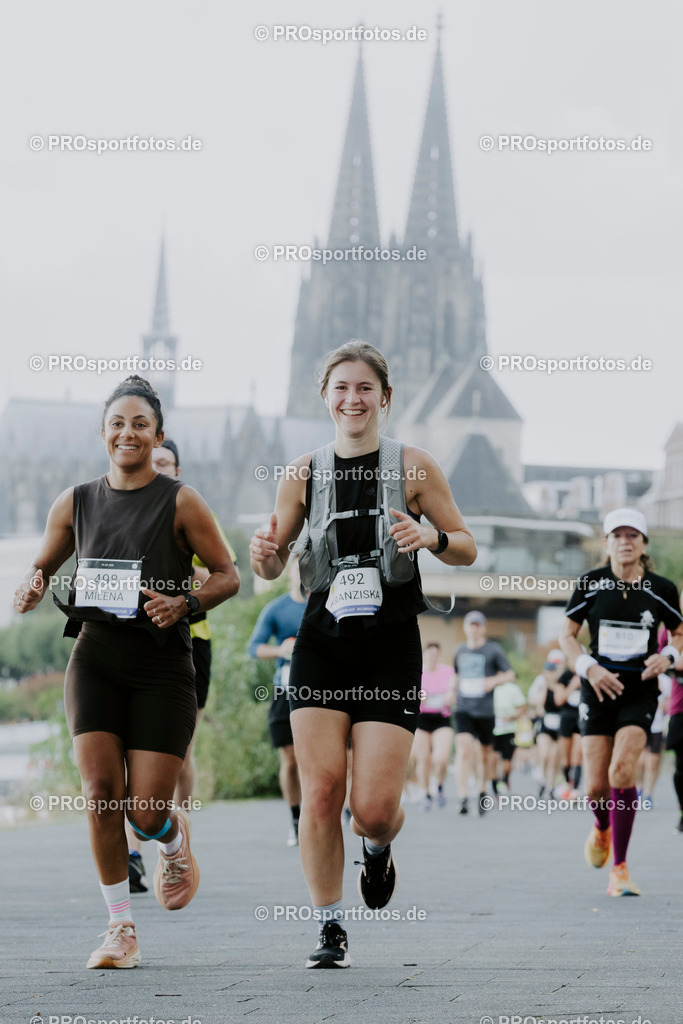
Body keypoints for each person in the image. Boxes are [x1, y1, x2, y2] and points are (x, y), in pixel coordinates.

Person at [249, 340, 476, 968]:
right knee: (321, 793)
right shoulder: (302, 472)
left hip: (389, 644)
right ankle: (328, 926)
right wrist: (265, 557)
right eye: (341, 389)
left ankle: (377, 850)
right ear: (325, 398)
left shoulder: (415, 467)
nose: (353, 399)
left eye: (364, 388)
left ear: (385, 397)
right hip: (322, 643)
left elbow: (466, 547)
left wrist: (432, 536)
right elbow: (273, 563)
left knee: (372, 811)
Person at [14, 376, 239, 968]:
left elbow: (227, 575)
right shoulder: (76, 500)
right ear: (103, 433)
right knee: (99, 796)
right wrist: (32, 586)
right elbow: (42, 565)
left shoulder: (182, 500)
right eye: (118, 423)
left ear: (158, 435)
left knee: (143, 810)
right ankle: (120, 929)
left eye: (140, 424)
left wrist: (184, 605)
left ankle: (171, 837)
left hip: (163, 667)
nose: (128, 433)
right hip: (94, 659)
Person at [124, 438, 239, 893]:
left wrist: (182, 580)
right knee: (127, 755)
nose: (158, 468)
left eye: (166, 463)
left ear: (178, 467)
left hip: (190, 642)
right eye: (153, 462)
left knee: (181, 751)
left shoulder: (192, 507)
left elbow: (223, 571)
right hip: (128, 642)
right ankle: (135, 849)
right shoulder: (125, 505)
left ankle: (177, 829)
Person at [559, 507, 683, 897]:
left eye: (632, 535)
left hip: (640, 689)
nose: (624, 542)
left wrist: (670, 658)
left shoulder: (661, 588)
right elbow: (567, 635)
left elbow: (679, 633)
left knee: (621, 771)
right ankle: (601, 828)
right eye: (617, 535)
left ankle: (621, 868)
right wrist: (587, 667)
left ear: (643, 544)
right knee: (596, 786)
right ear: (607, 542)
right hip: (597, 688)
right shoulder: (591, 583)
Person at [248, 555, 306, 845]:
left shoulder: (328, 604)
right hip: (285, 691)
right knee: (291, 759)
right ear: (291, 573)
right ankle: (296, 819)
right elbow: (254, 648)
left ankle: (331, 813)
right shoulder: (277, 609)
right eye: (299, 568)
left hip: (325, 692)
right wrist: (281, 650)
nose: (303, 573)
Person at [451, 612, 515, 815]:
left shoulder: (493, 650)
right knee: (464, 749)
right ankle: (462, 797)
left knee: (485, 755)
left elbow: (510, 674)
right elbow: (457, 675)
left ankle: (481, 790)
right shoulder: (459, 650)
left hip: (485, 710)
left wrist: (492, 681)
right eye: (471, 624)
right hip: (463, 708)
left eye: (478, 625)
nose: (474, 628)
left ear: (483, 628)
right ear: (465, 627)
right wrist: (451, 693)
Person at [413, 642, 455, 810]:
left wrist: (451, 696)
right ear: (425, 655)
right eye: (430, 654)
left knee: (441, 758)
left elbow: (453, 690)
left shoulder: (448, 672)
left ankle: (439, 785)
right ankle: (425, 793)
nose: (432, 657)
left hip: (442, 718)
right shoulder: (418, 671)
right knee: (423, 759)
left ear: (439, 655)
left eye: (435, 654)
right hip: (422, 718)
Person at [491, 676, 527, 794]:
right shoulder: (489, 687)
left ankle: (504, 778)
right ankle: (494, 785)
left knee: (507, 761)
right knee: (493, 759)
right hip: (491, 730)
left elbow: (522, 707)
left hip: (508, 730)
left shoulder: (512, 688)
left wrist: (511, 717)